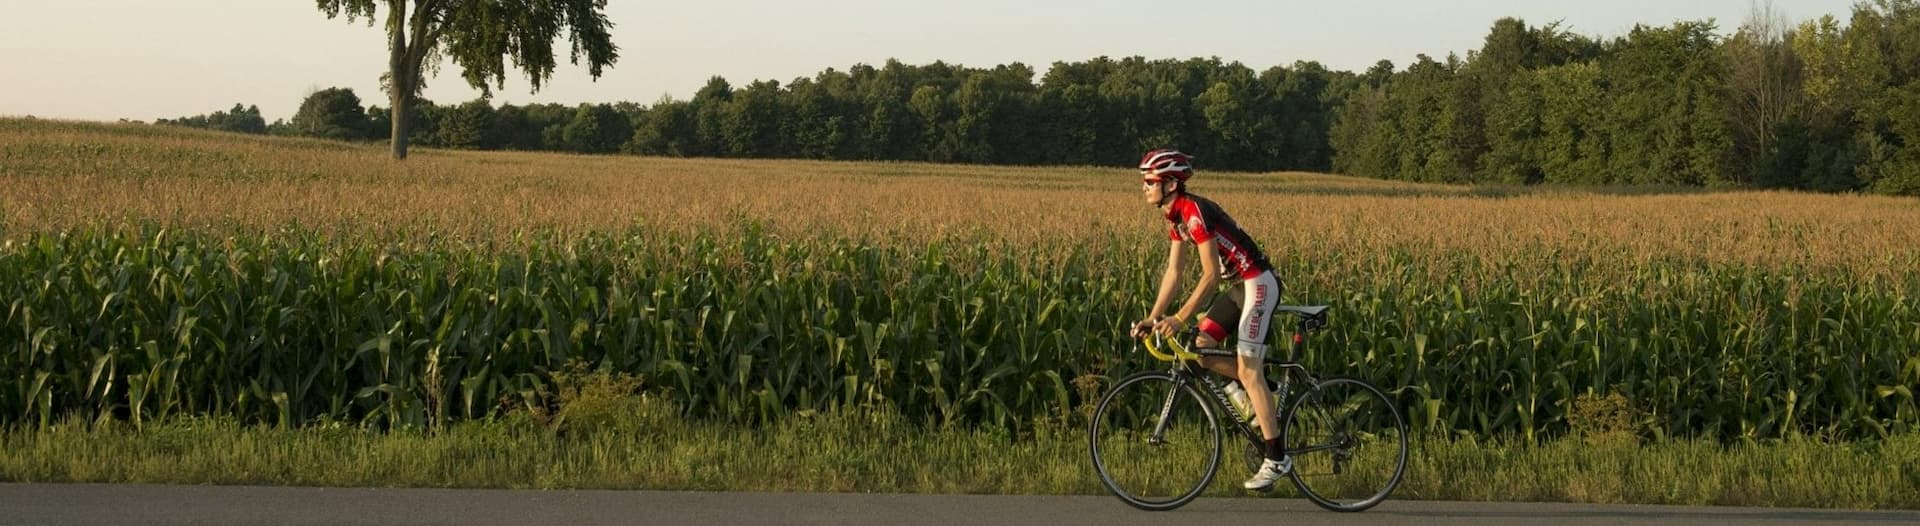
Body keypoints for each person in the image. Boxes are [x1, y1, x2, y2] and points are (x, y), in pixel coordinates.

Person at [1127, 149, 1292, 491]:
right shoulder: (1175, 217)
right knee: (1200, 349)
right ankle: (1262, 396)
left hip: (1258, 283)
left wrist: (1179, 317)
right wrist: (1153, 316)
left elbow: (1210, 276)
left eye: (1149, 181)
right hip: (1240, 288)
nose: (1143, 187)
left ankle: (1277, 458)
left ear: (1171, 183)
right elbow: (1174, 272)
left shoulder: (1194, 212)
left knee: (1248, 369)